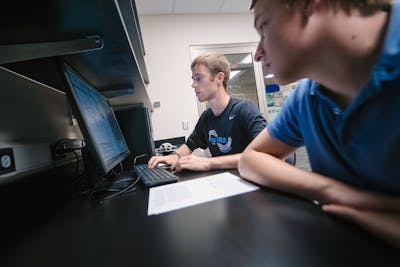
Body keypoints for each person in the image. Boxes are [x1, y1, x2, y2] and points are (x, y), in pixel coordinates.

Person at [238, 0, 400, 248]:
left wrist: (365, 215)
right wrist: (334, 192)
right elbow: (250, 159)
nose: (258, 52)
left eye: (263, 28)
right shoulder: (308, 96)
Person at [148, 53, 267, 172]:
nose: (193, 84)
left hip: (249, 179)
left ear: (219, 78)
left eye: (198, 78)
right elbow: (190, 145)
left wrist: (208, 163)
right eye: (193, 79)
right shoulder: (206, 117)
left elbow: (264, 153)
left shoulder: (245, 110)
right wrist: (175, 156)